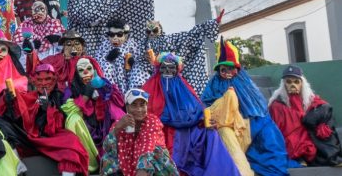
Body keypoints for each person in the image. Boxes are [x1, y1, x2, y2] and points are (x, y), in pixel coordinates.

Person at [201, 37, 289, 176]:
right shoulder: (213, 86)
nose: (227, 73)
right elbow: (205, 107)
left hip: (248, 127)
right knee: (224, 135)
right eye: (223, 70)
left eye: (231, 69)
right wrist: (207, 119)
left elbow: (260, 112)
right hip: (225, 128)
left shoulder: (247, 88)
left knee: (269, 136)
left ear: (237, 69)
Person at [142, 52, 240, 176]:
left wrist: (206, 121)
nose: (167, 70)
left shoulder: (184, 87)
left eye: (171, 67)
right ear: (158, 69)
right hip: (159, 134)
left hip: (186, 134)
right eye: (163, 67)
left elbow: (197, 111)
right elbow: (143, 112)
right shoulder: (150, 88)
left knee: (211, 134)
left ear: (177, 70)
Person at [0, 63, 90, 176]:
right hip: (30, 136)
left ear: (54, 80)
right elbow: (20, 112)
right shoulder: (31, 96)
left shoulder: (60, 96)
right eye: (40, 80)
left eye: (47, 79)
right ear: (35, 81)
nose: (44, 83)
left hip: (51, 136)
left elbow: (61, 121)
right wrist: (9, 102)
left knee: (72, 142)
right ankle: (17, 163)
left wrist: (49, 109)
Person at [269, 65, 342, 166]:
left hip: (309, 131)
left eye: (296, 82)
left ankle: (331, 156)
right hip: (291, 138)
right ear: (284, 84)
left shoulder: (309, 98)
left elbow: (322, 105)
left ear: (302, 83)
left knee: (325, 127)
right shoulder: (278, 105)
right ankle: (301, 156)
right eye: (289, 82)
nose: (292, 85)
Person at [62, 57, 126, 173]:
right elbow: (68, 110)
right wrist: (86, 96)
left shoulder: (104, 84)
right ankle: (87, 164)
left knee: (113, 109)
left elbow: (119, 102)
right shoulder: (71, 90)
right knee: (73, 119)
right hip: (87, 133)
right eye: (81, 70)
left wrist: (103, 88)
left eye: (89, 68)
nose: (86, 72)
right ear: (76, 74)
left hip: (106, 132)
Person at [101, 88, 179, 176]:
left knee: (155, 152)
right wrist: (117, 128)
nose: (139, 109)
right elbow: (106, 147)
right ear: (127, 107)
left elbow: (146, 149)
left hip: (153, 166)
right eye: (134, 105)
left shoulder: (152, 121)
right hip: (129, 164)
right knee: (108, 157)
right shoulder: (120, 122)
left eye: (142, 105)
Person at [143, 11, 223, 95]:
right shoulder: (143, 45)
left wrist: (212, 23)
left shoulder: (168, 39)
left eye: (154, 30)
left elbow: (190, 35)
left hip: (172, 77)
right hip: (155, 78)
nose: (151, 33)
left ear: (160, 29)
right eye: (149, 31)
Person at [95, 19, 141, 92]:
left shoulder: (133, 46)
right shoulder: (104, 46)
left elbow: (140, 63)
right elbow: (97, 65)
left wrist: (133, 63)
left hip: (128, 78)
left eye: (119, 34)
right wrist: (108, 59)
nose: (115, 38)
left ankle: (132, 97)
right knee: (107, 67)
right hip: (113, 80)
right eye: (112, 34)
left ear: (125, 35)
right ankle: (113, 96)